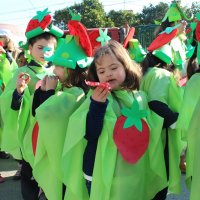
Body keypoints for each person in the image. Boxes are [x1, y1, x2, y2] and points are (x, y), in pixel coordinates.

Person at [61, 39, 163, 200]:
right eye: (101, 71)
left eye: (114, 68)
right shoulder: (95, 98)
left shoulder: (138, 97)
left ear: (126, 67)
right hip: (97, 168)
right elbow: (91, 134)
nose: (108, 73)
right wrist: (97, 105)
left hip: (129, 171)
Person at [0, 8, 63, 200]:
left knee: (52, 174)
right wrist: (18, 92)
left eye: (49, 48)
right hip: (31, 134)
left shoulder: (58, 72)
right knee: (31, 177)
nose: (45, 52)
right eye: (40, 47)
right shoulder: (23, 73)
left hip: (52, 133)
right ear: (30, 49)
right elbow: (8, 103)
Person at [32, 14, 93, 200]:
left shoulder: (75, 94)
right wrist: (44, 92)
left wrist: (49, 93)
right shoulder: (73, 89)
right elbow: (38, 113)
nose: (54, 71)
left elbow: (47, 116)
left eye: (58, 67)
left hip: (66, 157)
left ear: (68, 69)